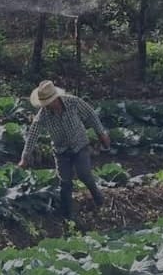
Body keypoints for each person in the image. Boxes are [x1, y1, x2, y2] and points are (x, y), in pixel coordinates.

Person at [17, 80, 111, 219]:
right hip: (61, 151)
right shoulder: (43, 114)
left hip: (80, 145)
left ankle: (99, 199)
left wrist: (101, 133)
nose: (46, 106)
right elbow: (33, 135)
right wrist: (24, 158)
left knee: (84, 174)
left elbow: (91, 114)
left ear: (55, 98)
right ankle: (67, 216)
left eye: (48, 102)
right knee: (65, 182)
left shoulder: (73, 102)